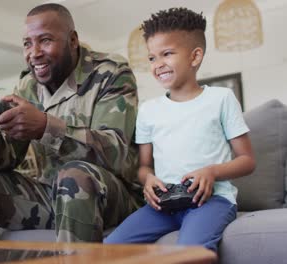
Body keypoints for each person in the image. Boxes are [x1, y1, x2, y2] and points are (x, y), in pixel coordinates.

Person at [0, 3, 143, 242]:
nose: (34, 52)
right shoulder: (27, 86)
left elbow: (116, 154)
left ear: (72, 40)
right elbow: (7, 159)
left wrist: (45, 127)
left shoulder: (111, 73)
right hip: (51, 195)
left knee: (74, 175)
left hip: (110, 197)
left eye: (46, 40)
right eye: (27, 43)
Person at [104, 7, 256, 251]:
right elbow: (143, 167)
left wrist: (212, 172)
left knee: (188, 254)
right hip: (162, 206)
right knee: (109, 248)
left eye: (167, 54)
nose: (158, 64)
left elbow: (247, 160)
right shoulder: (148, 110)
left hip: (211, 201)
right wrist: (148, 179)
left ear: (195, 57)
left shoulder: (221, 99)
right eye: (152, 58)